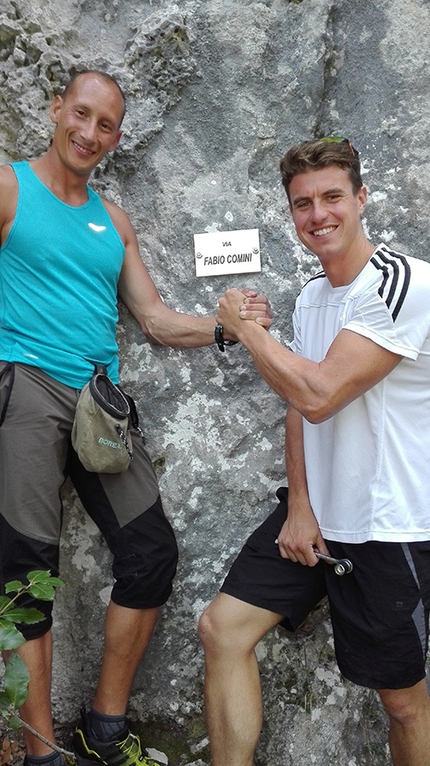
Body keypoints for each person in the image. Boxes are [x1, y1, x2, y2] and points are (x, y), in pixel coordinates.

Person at [0, 70, 272, 766]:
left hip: (99, 400)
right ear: (55, 107)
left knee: (152, 554)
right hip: (22, 386)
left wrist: (224, 329)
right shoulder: (9, 187)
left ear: (118, 137)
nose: (90, 133)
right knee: (26, 567)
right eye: (81, 114)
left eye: (106, 125)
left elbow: (151, 318)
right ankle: (40, 752)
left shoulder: (111, 219)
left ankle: (104, 725)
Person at [198, 137, 430, 766]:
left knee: (403, 703)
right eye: (303, 204)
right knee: (222, 630)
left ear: (361, 198)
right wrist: (300, 506)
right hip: (317, 512)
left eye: (332, 197)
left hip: (387, 525)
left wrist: (246, 331)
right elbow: (299, 407)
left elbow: (320, 392)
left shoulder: (403, 284)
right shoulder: (311, 295)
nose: (318, 215)